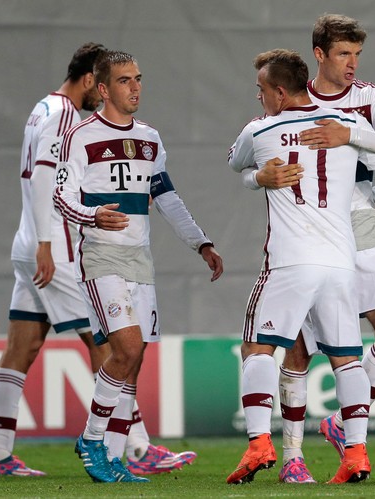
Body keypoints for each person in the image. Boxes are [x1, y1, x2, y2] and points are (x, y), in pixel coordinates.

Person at [0, 43, 195, 479]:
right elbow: (46, 178)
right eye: (104, 86)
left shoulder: (42, 106)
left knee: (21, 348)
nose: (104, 95)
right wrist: (47, 242)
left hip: (29, 243)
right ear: (87, 82)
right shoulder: (65, 117)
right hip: (55, 249)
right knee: (115, 346)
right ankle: (132, 447)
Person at [242, 14, 375, 482]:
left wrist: (356, 142)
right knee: (299, 354)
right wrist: (259, 178)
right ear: (319, 55)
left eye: (357, 54)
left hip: (358, 229)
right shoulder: (289, 100)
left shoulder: (368, 98)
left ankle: (342, 425)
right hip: (310, 234)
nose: (352, 64)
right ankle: (293, 457)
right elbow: (253, 159)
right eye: (344, 53)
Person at [53, 50, 223, 483]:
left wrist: (200, 242)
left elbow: (166, 197)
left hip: (139, 260)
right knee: (125, 349)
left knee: (134, 360)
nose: (136, 87)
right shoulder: (80, 136)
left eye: (139, 79)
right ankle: (92, 439)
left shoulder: (150, 138)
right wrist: (93, 216)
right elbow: (61, 196)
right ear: (104, 89)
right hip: (101, 256)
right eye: (125, 80)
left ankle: (112, 460)